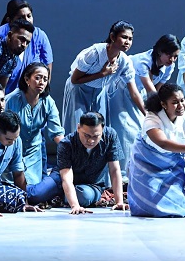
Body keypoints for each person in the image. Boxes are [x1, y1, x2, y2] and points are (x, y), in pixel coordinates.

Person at [61, 20, 146, 182]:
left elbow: (134, 91)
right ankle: (72, 178)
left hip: (99, 91)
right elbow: (75, 79)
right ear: (112, 37)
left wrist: (147, 114)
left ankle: (97, 180)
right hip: (79, 90)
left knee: (100, 132)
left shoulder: (124, 61)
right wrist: (102, 74)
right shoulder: (94, 53)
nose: (127, 42)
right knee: (78, 130)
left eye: (130, 39)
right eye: (124, 37)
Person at [127, 83, 185, 218]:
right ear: (164, 104)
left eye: (182, 101)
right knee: (149, 206)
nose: (181, 105)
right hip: (147, 162)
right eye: (175, 102)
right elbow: (163, 143)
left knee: (180, 206)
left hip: (173, 162)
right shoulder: (152, 118)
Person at [26, 112, 127, 214]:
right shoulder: (66, 143)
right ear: (78, 128)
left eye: (96, 136)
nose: (91, 141)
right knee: (36, 195)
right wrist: (75, 206)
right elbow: (66, 177)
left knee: (84, 196)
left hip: (91, 184)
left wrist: (119, 202)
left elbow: (114, 170)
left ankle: (61, 196)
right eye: (86, 135)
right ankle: (59, 194)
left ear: (102, 130)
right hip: (61, 177)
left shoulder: (110, 136)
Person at [109, 34, 181, 175]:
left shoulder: (169, 66)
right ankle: (123, 172)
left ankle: (137, 168)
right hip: (121, 90)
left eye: (175, 56)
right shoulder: (143, 62)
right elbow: (150, 91)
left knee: (142, 129)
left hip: (140, 93)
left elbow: (158, 90)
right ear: (160, 51)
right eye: (169, 55)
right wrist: (153, 115)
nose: (172, 60)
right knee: (126, 129)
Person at [5, 61, 64, 185]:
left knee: (33, 187)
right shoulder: (12, 99)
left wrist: (68, 149)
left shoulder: (48, 102)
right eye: (38, 78)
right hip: (11, 151)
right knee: (12, 186)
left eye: (45, 79)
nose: (42, 82)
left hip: (33, 152)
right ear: (27, 79)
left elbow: (57, 132)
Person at [0, 0, 54, 95]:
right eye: (21, 17)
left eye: (29, 16)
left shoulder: (40, 36)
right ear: (10, 21)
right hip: (1, 95)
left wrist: (42, 94)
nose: (27, 20)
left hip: (29, 95)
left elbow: (47, 67)